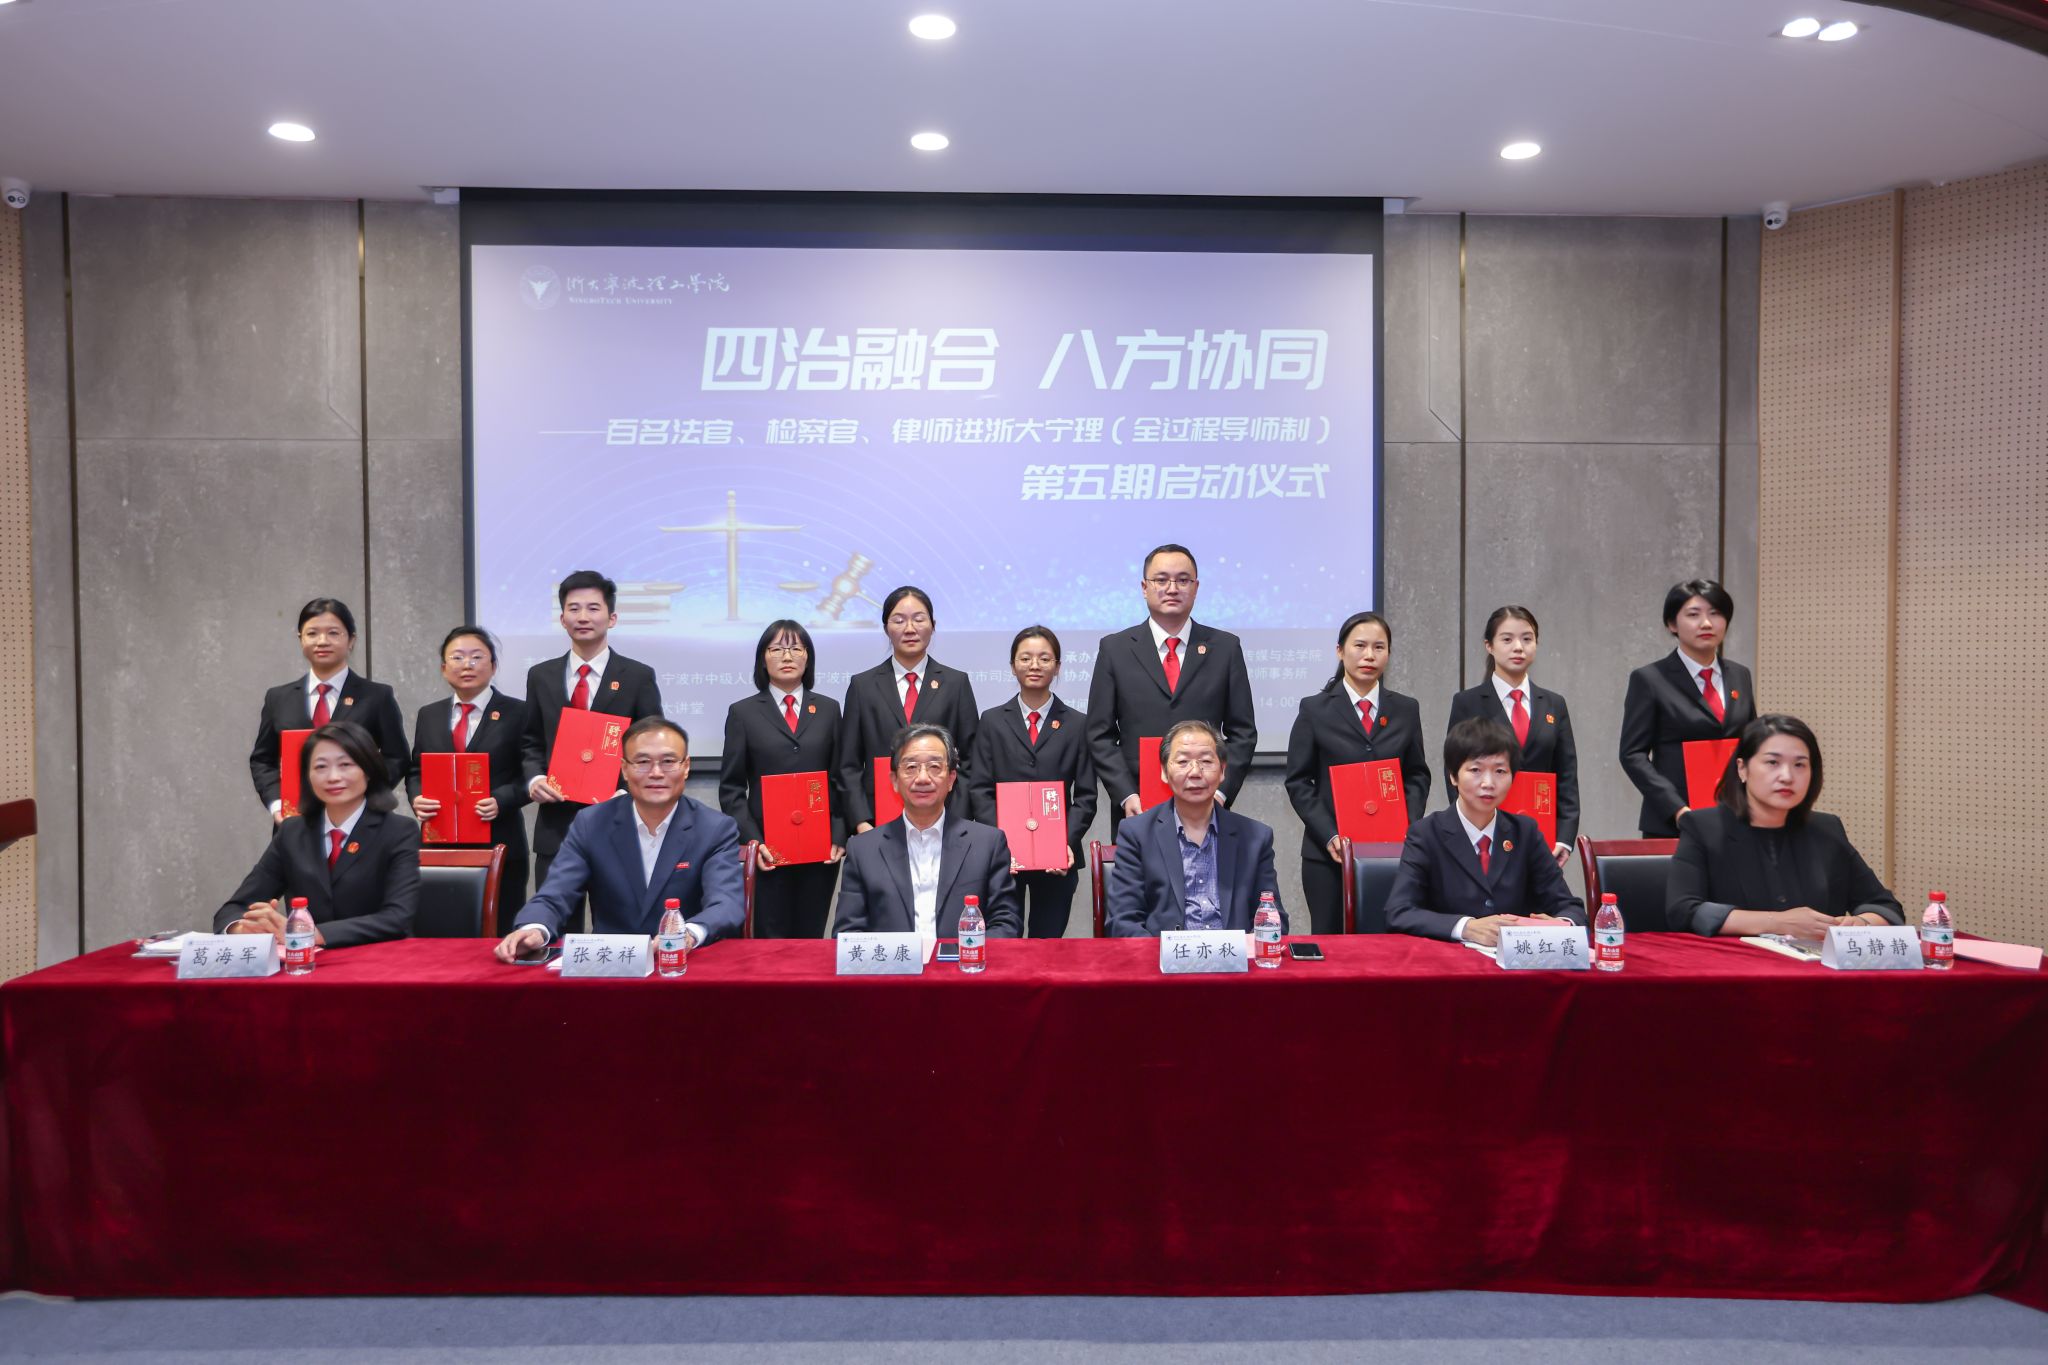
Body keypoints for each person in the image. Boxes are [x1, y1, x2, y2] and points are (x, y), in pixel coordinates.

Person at [497, 717, 744, 960]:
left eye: (668, 761)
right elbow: (555, 893)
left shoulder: (714, 828)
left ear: (686, 766)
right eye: (643, 762)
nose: (656, 773)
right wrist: (535, 928)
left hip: (683, 963)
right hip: (612, 962)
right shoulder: (591, 823)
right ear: (624, 768)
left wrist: (687, 933)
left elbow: (726, 903)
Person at [1667, 714, 1903, 939]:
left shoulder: (1827, 829)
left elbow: (1885, 907)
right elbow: (1684, 910)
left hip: (1814, 965)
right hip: (1735, 963)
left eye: (1800, 765)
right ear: (1742, 768)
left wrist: (1860, 924)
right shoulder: (1704, 827)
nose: (1787, 776)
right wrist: (1778, 923)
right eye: (1773, 762)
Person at [519, 570, 664, 928]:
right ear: (562, 618)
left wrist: (626, 791)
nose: (583, 616)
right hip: (556, 823)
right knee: (555, 927)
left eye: (593, 608)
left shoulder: (637, 676)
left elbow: (652, 744)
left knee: (616, 929)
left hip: (619, 820)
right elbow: (531, 740)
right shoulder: (541, 676)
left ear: (611, 618)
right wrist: (535, 778)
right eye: (574, 608)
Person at [1086, 544, 1257, 837]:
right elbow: (1099, 733)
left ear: (1196, 587)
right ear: (1144, 587)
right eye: (1161, 580)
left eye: (1183, 580)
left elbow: (1243, 732)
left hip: (1206, 804)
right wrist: (1126, 794)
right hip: (1138, 807)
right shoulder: (1115, 649)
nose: (1172, 588)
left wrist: (1221, 793)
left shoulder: (1225, 648)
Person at [1283, 611, 1431, 936]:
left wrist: (1406, 826)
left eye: (1379, 647)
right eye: (1360, 645)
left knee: (1388, 942)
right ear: (1340, 651)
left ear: (1388, 653)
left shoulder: (1406, 709)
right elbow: (1298, 781)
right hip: (1329, 856)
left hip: (1391, 854)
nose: (1369, 655)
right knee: (1331, 944)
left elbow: (1417, 775)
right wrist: (1330, 835)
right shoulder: (1315, 709)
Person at [1383, 718, 1584, 944]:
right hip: (1449, 960)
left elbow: (1571, 908)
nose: (1488, 783)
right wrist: (1466, 927)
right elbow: (1399, 912)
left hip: (1513, 961)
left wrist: (1561, 924)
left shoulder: (1525, 832)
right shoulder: (1426, 833)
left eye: (1500, 771)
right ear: (1453, 776)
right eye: (1476, 770)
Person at [217, 721, 418, 945]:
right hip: (307, 961)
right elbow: (234, 909)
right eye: (320, 767)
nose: (333, 777)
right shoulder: (292, 832)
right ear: (308, 776)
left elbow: (397, 918)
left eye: (345, 765)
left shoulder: (400, 831)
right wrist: (243, 928)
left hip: (379, 958)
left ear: (368, 770)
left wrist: (311, 933)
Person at [966, 626, 1097, 937]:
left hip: (1057, 858)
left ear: (1058, 666)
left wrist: (1064, 842)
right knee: (1004, 943)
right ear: (1013, 666)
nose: (1034, 665)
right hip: (1004, 857)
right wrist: (1002, 843)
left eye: (1044, 658)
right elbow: (980, 789)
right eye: (1025, 658)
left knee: (1047, 945)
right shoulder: (992, 720)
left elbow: (1086, 796)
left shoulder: (1077, 723)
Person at [834, 723, 1022, 940]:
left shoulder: (988, 843)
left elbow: (1006, 924)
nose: (922, 778)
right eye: (911, 767)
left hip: (963, 961)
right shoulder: (863, 849)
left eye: (934, 767)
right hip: (894, 962)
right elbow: (847, 934)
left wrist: (964, 954)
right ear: (894, 781)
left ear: (951, 779)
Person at [719, 619, 846, 939]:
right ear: (763, 658)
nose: (787, 656)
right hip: (768, 849)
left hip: (819, 849)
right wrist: (754, 842)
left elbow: (840, 777)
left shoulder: (829, 709)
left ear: (808, 657)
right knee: (770, 939)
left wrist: (838, 835)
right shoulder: (743, 712)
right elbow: (732, 788)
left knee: (811, 936)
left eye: (795, 649)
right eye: (776, 649)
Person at [406, 626, 530, 935]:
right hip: (439, 843)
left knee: (500, 931)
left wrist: (503, 799)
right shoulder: (429, 714)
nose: (467, 665)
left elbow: (532, 773)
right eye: (457, 657)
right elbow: (416, 769)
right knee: (440, 932)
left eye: (477, 657)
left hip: (500, 839)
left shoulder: (519, 712)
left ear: (494, 666)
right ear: (443, 668)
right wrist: (417, 797)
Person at [1105, 719, 1281, 937]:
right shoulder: (1137, 834)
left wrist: (1247, 949)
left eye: (1206, 761)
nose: (1195, 772)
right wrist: (1161, 954)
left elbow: (1273, 917)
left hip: (1234, 956)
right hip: (1164, 956)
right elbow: (1123, 921)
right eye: (1183, 762)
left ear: (1222, 771)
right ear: (1163, 772)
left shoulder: (1255, 837)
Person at [249, 597, 408, 821]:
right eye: (312, 633)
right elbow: (263, 760)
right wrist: (277, 805)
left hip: (359, 820)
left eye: (333, 633)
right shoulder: (279, 698)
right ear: (301, 639)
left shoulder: (377, 696)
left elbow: (397, 757)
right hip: (294, 821)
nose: (322, 641)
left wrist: (364, 796)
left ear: (351, 640)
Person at [1444, 606, 1579, 867]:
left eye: (1527, 639)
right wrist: (1468, 830)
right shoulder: (1467, 702)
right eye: (1507, 639)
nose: (1518, 647)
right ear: (1489, 646)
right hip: (1484, 833)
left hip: (1541, 835)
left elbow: (1567, 774)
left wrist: (1564, 838)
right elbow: (1455, 770)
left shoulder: (1554, 704)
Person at [1620, 579, 1757, 837]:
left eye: (1715, 613)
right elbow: (1632, 754)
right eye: (1693, 615)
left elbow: (1751, 743)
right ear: (1672, 624)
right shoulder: (1650, 679)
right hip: (1675, 822)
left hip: (1735, 816)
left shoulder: (1740, 675)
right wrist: (1677, 809)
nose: (1706, 623)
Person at [838, 586, 979, 833]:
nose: (910, 628)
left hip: (944, 822)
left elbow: (970, 760)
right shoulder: (863, 686)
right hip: (877, 824)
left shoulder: (956, 683)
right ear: (886, 628)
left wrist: (957, 819)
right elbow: (848, 765)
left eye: (919, 619)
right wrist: (862, 822)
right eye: (899, 620)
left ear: (933, 626)